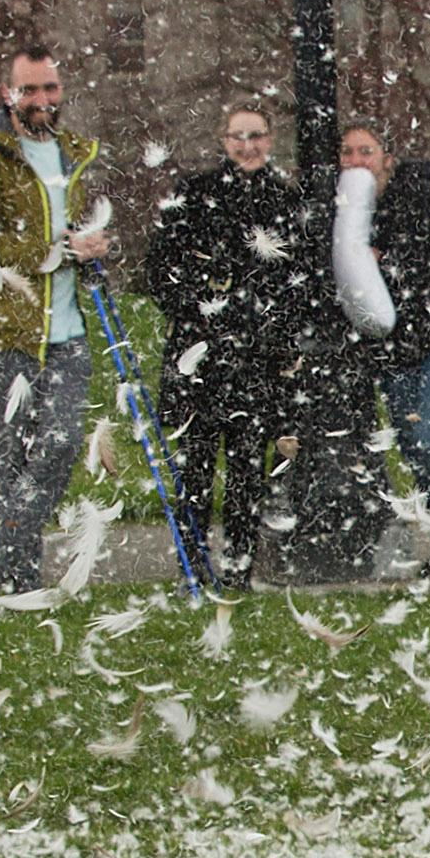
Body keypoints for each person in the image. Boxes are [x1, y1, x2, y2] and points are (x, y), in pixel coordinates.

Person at [0, 48, 113, 599]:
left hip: (67, 331)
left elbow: (74, 232)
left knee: (62, 443)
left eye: (50, 88)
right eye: (30, 90)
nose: (42, 100)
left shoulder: (74, 154)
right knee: (10, 464)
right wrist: (60, 248)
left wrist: (90, 246)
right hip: (5, 331)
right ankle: (16, 580)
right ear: (6, 94)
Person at [143, 102, 300, 588]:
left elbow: (296, 280)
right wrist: (201, 307)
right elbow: (160, 270)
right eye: (238, 136)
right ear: (223, 140)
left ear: (271, 139)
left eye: (256, 135)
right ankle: (191, 563)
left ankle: (238, 569)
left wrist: (268, 328)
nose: (248, 146)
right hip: (201, 354)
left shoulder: (285, 200)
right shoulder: (195, 194)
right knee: (194, 464)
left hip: (258, 358)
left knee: (247, 469)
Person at [334, 116, 430, 566]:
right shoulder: (347, 214)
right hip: (395, 352)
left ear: (387, 160)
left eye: (366, 151)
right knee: (413, 449)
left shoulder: (417, 201)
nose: (356, 160)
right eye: (348, 152)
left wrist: (386, 257)